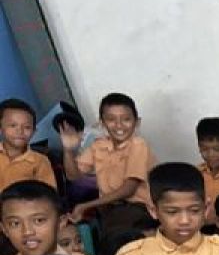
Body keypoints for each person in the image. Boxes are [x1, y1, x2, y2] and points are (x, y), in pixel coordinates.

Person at [59, 92, 155, 236]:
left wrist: (86, 206)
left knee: (114, 236)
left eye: (126, 119)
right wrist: (68, 150)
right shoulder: (98, 146)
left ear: (137, 122)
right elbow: (73, 176)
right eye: (111, 119)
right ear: (102, 123)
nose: (119, 125)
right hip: (110, 209)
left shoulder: (138, 145)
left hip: (138, 209)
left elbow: (128, 189)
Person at [0, 97, 54, 190]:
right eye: (13, 125)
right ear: (1, 129)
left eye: (27, 127)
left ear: (34, 131)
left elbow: (48, 194)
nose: (20, 131)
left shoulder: (40, 162)